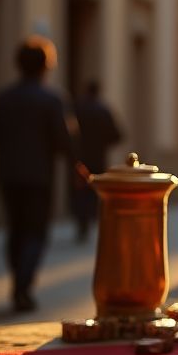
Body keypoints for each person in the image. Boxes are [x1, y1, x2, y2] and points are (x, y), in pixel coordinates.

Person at [0, 36, 74, 312]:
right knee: (36, 231)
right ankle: (23, 285)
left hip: (8, 174)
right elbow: (63, 142)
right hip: (38, 176)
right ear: (46, 65)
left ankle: (18, 283)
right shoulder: (52, 99)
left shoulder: (3, 97)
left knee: (16, 228)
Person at [71, 80, 122, 241]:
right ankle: (92, 217)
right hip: (98, 157)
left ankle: (82, 222)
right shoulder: (103, 110)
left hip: (80, 159)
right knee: (95, 190)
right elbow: (116, 135)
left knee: (80, 190)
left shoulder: (77, 109)